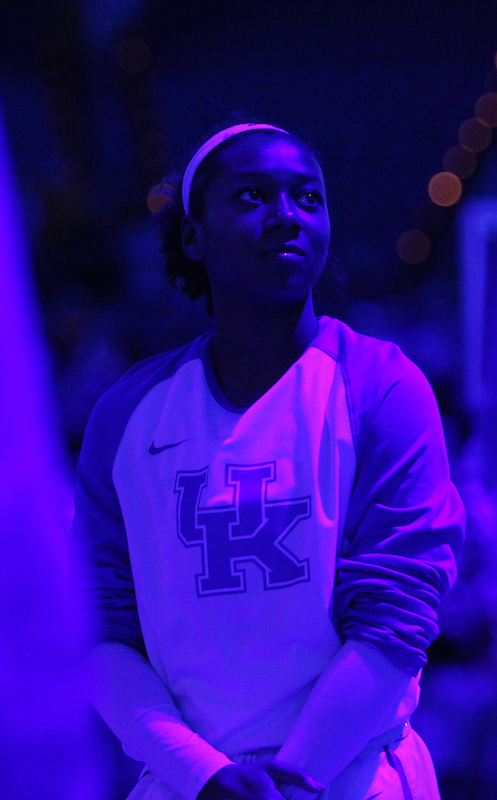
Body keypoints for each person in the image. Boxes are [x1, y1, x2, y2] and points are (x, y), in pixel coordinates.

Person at [74, 122, 465, 800]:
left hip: (351, 777)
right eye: (253, 196)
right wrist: (208, 777)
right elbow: (101, 631)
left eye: (308, 199)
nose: (287, 216)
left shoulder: (383, 387)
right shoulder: (126, 414)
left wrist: (294, 780)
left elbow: (396, 619)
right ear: (193, 236)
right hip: (188, 786)